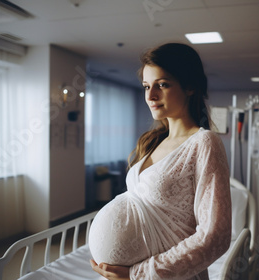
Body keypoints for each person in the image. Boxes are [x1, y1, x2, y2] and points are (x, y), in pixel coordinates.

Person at [88, 43, 231, 280]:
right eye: (146, 86)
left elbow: (215, 237)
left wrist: (138, 274)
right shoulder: (153, 141)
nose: (150, 95)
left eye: (162, 85)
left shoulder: (204, 142)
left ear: (190, 87)